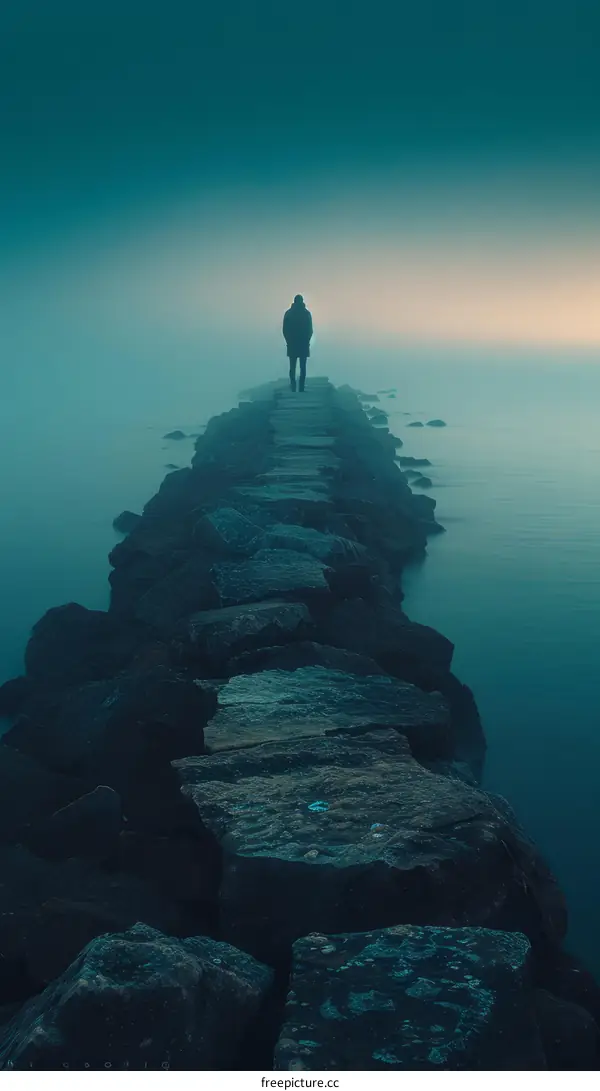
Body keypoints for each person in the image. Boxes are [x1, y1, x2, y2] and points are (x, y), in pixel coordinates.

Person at [282, 294, 313, 391]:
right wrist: (307, 341)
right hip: (303, 344)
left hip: (292, 345)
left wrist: (288, 341)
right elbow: (310, 330)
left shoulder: (289, 313)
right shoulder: (306, 314)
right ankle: (301, 387)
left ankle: (293, 387)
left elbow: (285, 330)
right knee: (303, 367)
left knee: (292, 367)